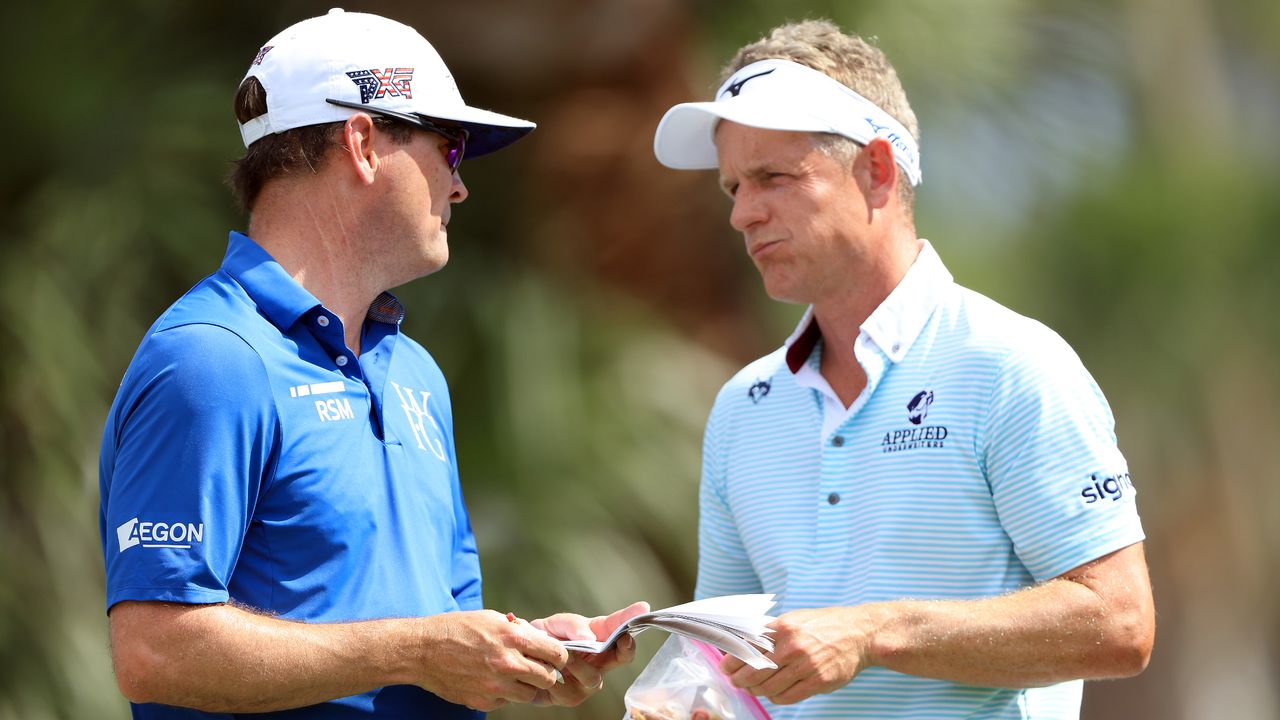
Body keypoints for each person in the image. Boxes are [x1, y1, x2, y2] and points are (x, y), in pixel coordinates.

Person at [98, 9, 645, 719]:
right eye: (448, 150)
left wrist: (521, 652)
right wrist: (416, 651)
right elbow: (154, 652)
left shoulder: (417, 374)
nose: (460, 187)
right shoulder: (212, 360)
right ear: (361, 143)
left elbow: (424, 629)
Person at [652, 20, 1154, 719]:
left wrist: (872, 631)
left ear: (877, 172)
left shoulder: (1010, 364)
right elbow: (722, 662)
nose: (741, 213)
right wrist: (684, 699)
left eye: (773, 177)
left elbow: (1121, 625)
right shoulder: (744, 407)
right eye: (733, 186)